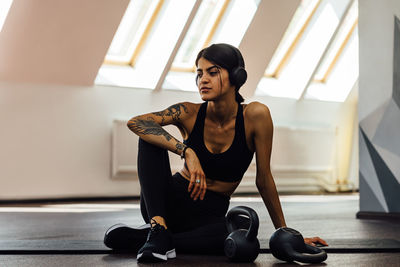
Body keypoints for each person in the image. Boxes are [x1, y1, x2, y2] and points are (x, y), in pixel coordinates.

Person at [104, 43, 328, 262]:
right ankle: (158, 229)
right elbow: (137, 122)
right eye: (199, 73)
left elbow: (264, 179)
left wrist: (285, 233)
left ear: (236, 77)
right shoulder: (188, 112)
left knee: (239, 234)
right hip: (165, 203)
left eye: (213, 72)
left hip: (209, 215)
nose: (203, 79)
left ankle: (147, 238)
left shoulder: (255, 116)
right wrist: (187, 151)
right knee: (149, 138)